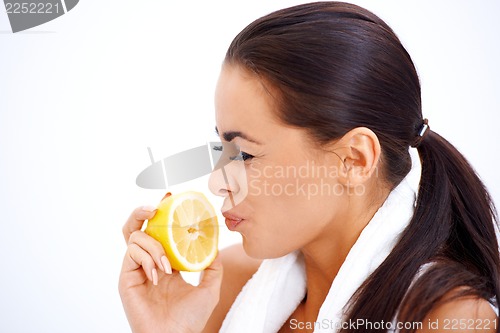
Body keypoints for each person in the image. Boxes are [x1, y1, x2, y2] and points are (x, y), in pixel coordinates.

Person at [119, 2, 500, 332]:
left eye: (246, 154)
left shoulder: (451, 319)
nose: (218, 182)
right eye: (222, 147)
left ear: (355, 159)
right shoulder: (222, 286)